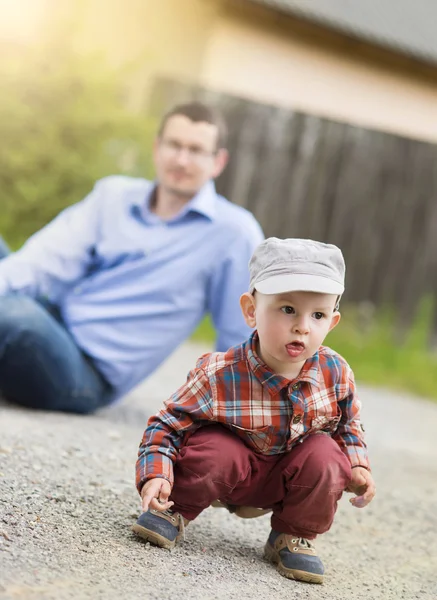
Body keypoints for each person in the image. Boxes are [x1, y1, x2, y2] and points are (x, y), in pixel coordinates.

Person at [133, 237, 375, 585]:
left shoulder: (335, 373)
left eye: (317, 315)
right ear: (251, 310)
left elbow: (348, 425)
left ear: (332, 322)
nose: (302, 326)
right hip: (230, 470)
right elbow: (167, 424)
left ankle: (290, 535)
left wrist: (357, 463)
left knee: (326, 454)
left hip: (289, 478)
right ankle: (173, 510)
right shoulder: (220, 373)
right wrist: (156, 473)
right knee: (215, 447)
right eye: (287, 309)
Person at [0, 102, 264, 413]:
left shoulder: (233, 232)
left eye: (195, 150)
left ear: (218, 162)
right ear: (157, 148)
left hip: (83, 373)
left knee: (14, 315)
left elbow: (241, 332)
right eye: (174, 145)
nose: (181, 159)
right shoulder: (112, 195)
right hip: (51, 315)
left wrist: (230, 415)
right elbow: (45, 258)